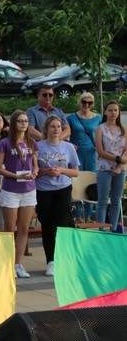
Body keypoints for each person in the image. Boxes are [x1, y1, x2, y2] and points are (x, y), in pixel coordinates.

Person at [0, 110, 38, 279]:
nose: (24, 124)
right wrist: (16, 176)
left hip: (29, 189)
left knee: (24, 228)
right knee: (9, 229)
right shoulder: (5, 143)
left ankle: (18, 263)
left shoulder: (31, 142)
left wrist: (34, 172)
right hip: (11, 189)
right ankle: (7, 262)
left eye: (26, 121)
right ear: (13, 123)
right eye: (20, 121)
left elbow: (35, 164)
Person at [36, 116, 79, 276]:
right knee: (47, 226)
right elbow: (33, 171)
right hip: (44, 190)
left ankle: (65, 259)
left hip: (63, 189)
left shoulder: (68, 147)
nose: (56, 129)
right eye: (52, 126)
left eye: (59, 127)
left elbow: (75, 171)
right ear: (46, 129)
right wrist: (46, 171)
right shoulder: (38, 146)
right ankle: (51, 261)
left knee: (62, 224)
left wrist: (61, 170)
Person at [67, 92, 101, 220]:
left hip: (92, 153)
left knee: (91, 183)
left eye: (90, 103)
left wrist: (99, 145)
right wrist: (70, 144)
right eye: (84, 102)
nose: (87, 105)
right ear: (79, 102)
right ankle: (77, 215)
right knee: (76, 183)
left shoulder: (98, 118)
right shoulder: (71, 118)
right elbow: (65, 134)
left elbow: (103, 134)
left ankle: (87, 215)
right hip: (76, 153)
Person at [94, 101, 126, 232]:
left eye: (116, 110)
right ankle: (101, 228)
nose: (113, 113)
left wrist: (119, 166)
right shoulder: (100, 129)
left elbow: (126, 151)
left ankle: (113, 229)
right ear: (105, 112)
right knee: (102, 200)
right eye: (110, 110)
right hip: (104, 168)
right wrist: (117, 158)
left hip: (120, 169)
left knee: (116, 201)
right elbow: (100, 151)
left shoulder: (123, 129)